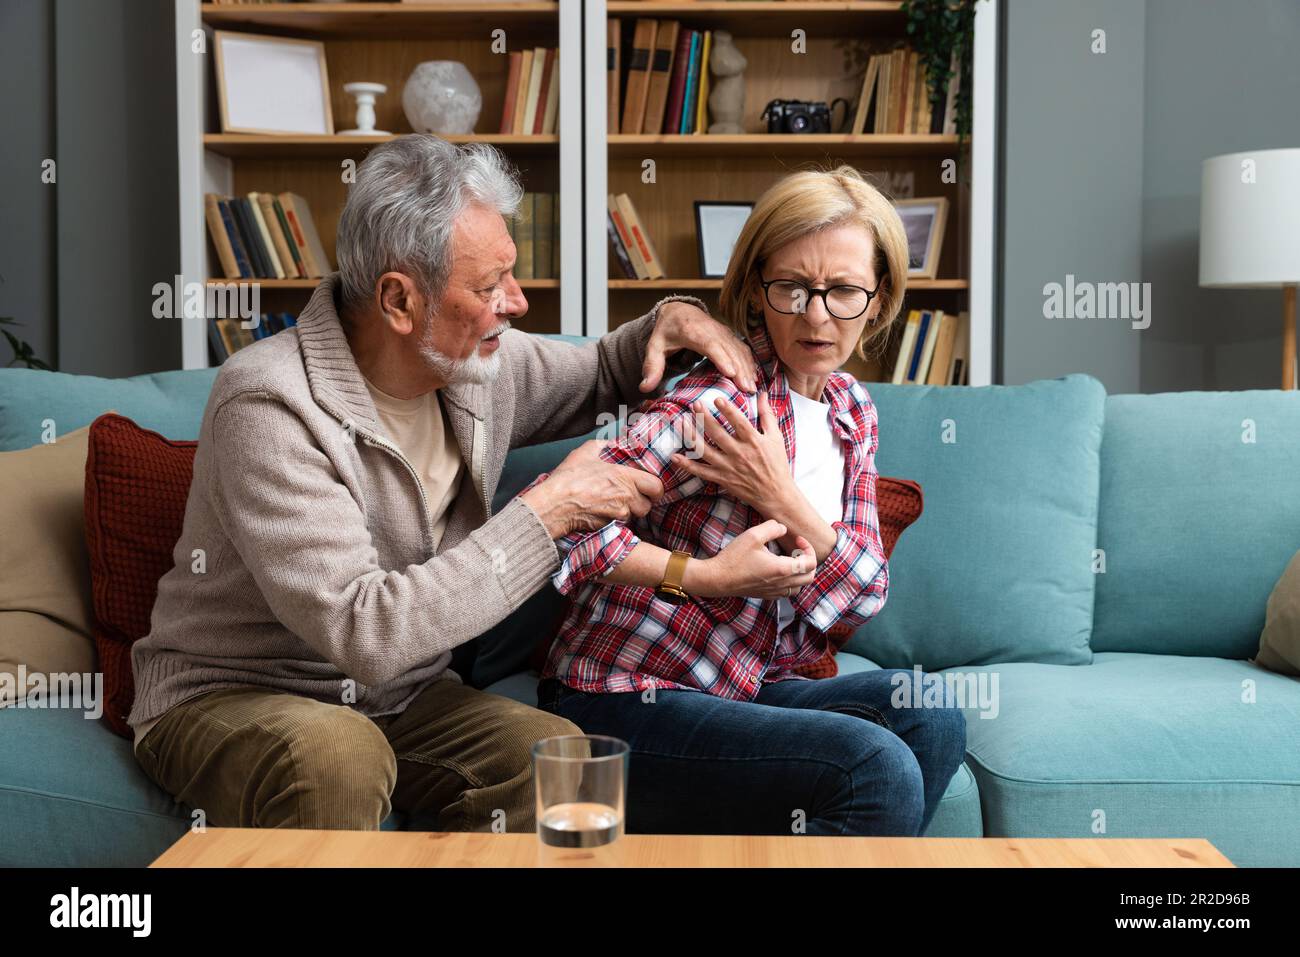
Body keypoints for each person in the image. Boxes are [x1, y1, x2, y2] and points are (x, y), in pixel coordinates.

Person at [126, 134, 756, 831]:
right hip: (231, 694)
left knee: (551, 757)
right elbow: (364, 632)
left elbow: (608, 369)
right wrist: (546, 515)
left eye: (511, 275)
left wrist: (671, 317)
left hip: (400, 700)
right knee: (338, 754)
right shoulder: (270, 404)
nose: (517, 302)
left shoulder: (477, 366)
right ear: (399, 299)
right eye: (488, 287)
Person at [534, 166, 968, 836]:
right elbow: (559, 523)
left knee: (931, 711)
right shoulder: (717, 403)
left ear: (878, 299)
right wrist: (700, 576)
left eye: (843, 291)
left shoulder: (853, 410)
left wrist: (779, 496)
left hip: (746, 686)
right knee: (875, 768)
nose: (816, 316)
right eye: (792, 287)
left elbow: (864, 594)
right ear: (756, 289)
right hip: (624, 695)